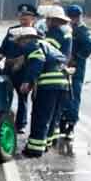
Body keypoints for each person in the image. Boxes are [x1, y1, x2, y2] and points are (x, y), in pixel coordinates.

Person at [14, 27, 70, 158]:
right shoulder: (47, 45)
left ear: (25, 38)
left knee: (41, 117)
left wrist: (27, 81)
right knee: (52, 117)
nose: (19, 45)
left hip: (48, 86)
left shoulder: (32, 45)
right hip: (63, 84)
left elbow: (38, 60)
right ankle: (46, 144)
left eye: (19, 42)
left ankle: (34, 149)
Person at [0, 4, 42, 134]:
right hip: (8, 68)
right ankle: (4, 121)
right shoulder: (12, 31)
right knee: (6, 96)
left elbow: (38, 56)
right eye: (21, 16)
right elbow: (3, 48)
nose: (23, 19)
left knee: (22, 98)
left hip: (24, 71)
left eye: (26, 16)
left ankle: (21, 124)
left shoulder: (37, 34)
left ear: (33, 19)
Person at [59, 4, 91, 142]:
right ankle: (62, 123)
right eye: (72, 17)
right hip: (64, 66)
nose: (74, 19)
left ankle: (70, 126)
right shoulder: (67, 29)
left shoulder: (81, 30)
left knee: (73, 96)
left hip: (76, 69)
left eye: (76, 17)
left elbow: (90, 46)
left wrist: (77, 58)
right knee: (63, 95)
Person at [43, 5, 73, 147]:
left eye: (48, 20)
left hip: (49, 78)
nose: (46, 23)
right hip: (63, 80)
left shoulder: (54, 33)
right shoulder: (67, 32)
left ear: (52, 20)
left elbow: (46, 55)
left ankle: (42, 144)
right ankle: (51, 140)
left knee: (45, 115)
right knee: (55, 115)